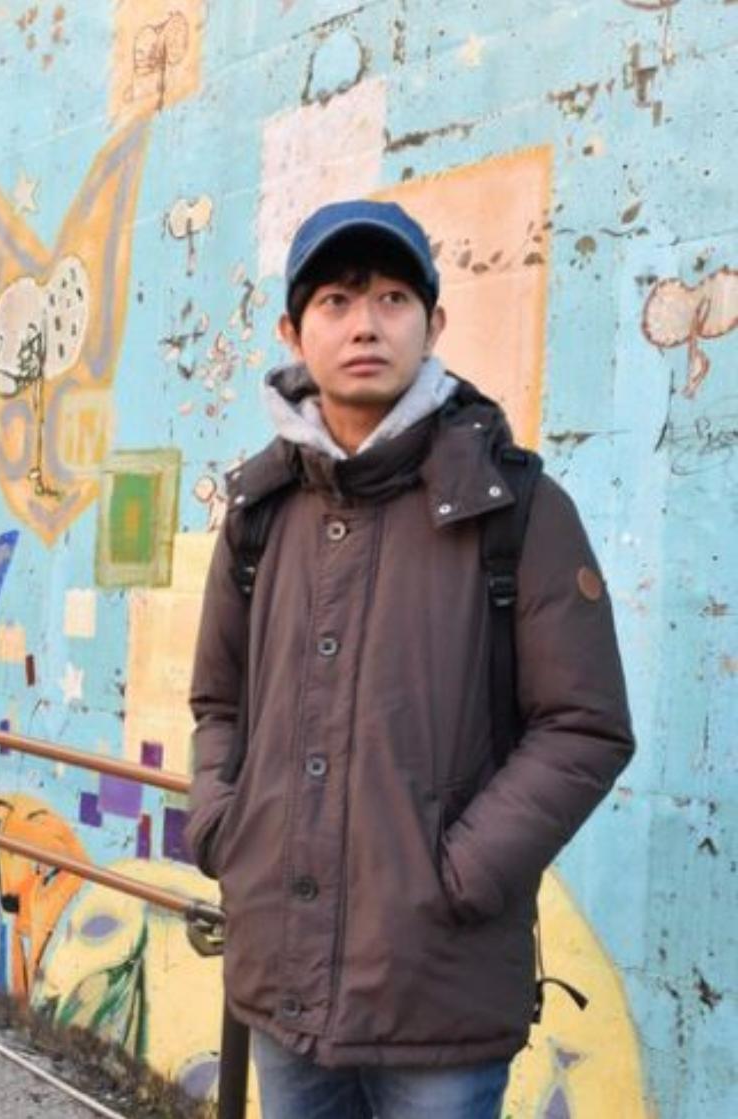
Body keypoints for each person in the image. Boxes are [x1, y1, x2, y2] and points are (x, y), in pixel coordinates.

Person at [185, 199, 635, 1119]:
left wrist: (459, 873)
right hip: (282, 976)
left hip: (441, 991)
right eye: (337, 300)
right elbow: (218, 701)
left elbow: (584, 725)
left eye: (393, 298)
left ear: (434, 326)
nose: (365, 324)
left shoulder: (516, 506)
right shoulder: (259, 514)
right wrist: (224, 829)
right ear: (293, 332)